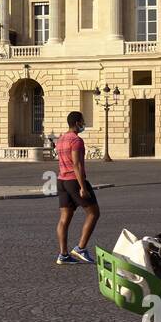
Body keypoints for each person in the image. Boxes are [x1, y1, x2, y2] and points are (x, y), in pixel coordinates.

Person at [54, 111, 100, 265]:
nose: (83, 124)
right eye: (82, 121)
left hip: (61, 180)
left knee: (64, 218)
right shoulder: (76, 140)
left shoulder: (60, 140)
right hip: (74, 180)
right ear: (77, 122)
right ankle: (81, 248)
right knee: (93, 213)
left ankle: (63, 254)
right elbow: (76, 164)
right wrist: (83, 187)